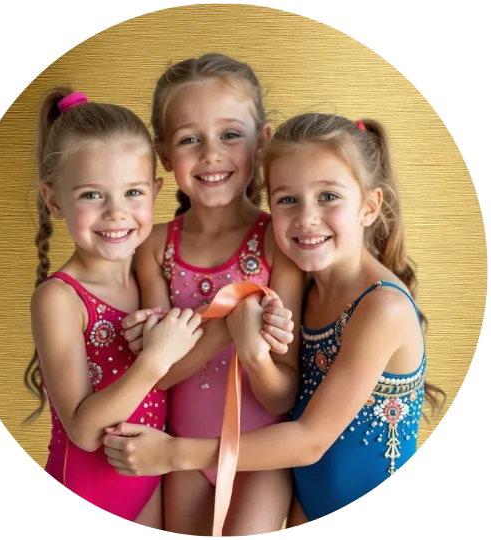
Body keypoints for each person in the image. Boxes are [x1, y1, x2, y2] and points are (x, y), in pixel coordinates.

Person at [102, 112, 446, 529]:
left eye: (328, 197)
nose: (306, 218)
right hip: (306, 505)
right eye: (287, 200)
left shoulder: (382, 308)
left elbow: (310, 441)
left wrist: (175, 453)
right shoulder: (308, 289)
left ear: (370, 206)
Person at [117, 53, 305, 536]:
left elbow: (282, 395)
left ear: (262, 144)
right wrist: (225, 329)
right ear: (163, 155)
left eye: (230, 134)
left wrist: (254, 353)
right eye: (188, 140)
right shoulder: (155, 247)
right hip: (177, 449)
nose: (210, 153)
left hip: (259, 454)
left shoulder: (278, 244)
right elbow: (157, 376)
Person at [23, 87, 205, 528]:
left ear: (156, 191)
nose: (116, 213)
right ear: (53, 200)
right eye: (91, 195)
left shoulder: (153, 275)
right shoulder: (59, 298)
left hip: (149, 484)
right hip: (87, 488)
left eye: (132, 193)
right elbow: (84, 432)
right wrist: (155, 358)